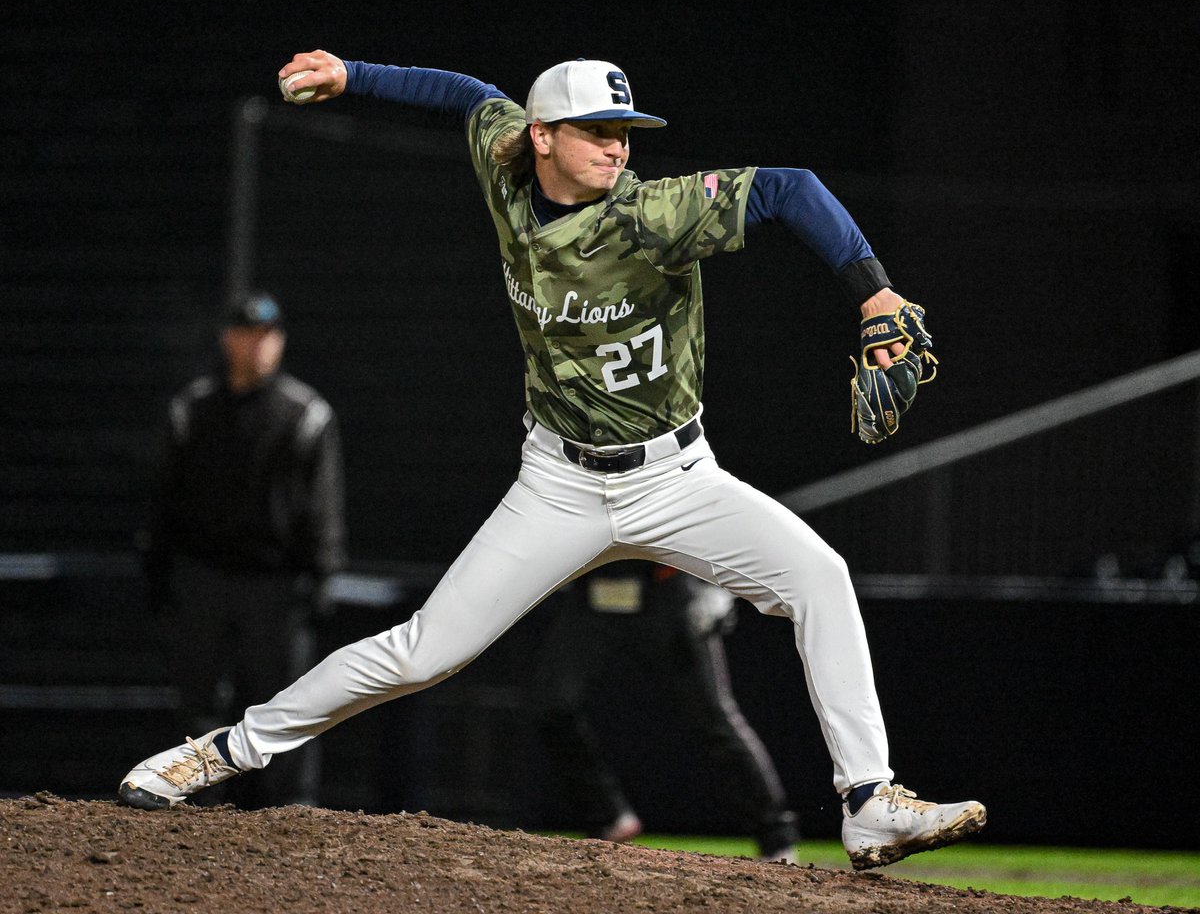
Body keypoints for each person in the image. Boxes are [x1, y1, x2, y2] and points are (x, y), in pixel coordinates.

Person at [119, 52, 986, 870]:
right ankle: (217, 754)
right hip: (558, 483)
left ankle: (868, 801)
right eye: (597, 130)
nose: (618, 145)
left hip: (676, 478)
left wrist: (872, 289)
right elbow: (463, 92)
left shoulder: (652, 213)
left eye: (625, 131)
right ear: (540, 138)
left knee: (821, 577)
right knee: (423, 654)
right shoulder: (503, 161)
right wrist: (354, 74)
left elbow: (794, 190)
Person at [136, 290, 347, 808]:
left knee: (282, 707)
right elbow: (165, 495)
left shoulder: (306, 415)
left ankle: (285, 812)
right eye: (246, 334)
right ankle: (196, 804)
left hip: (273, 587)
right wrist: (157, 567)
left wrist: (321, 579)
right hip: (202, 578)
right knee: (200, 704)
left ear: (279, 343)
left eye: (266, 336)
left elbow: (323, 507)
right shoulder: (193, 410)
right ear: (227, 338)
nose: (255, 347)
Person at [533, 561, 799, 863]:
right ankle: (607, 815)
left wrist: (716, 587)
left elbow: (700, 518)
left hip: (665, 591)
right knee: (553, 706)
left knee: (715, 718)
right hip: (593, 595)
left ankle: (777, 838)